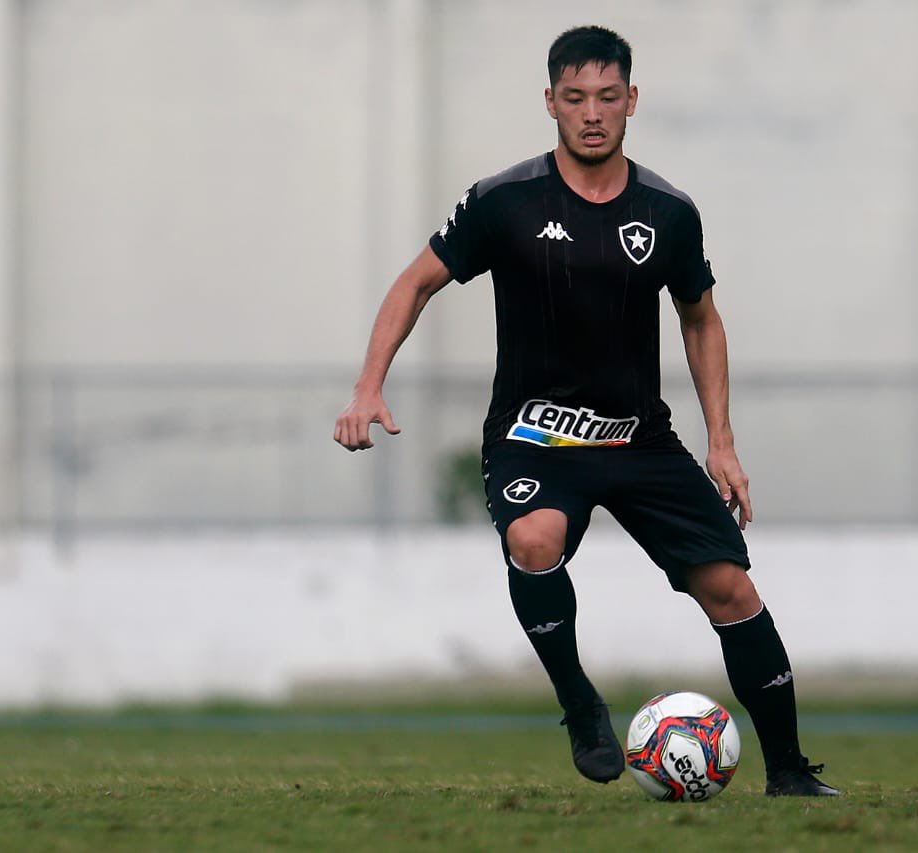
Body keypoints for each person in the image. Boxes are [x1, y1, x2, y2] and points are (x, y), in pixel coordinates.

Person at [334, 25, 839, 797]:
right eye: (575, 98)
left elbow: (701, 319)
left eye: (608, 97)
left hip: (639, 439)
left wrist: (723, 443)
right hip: (532, 436)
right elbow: (415, 283)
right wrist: (369, 385)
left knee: (732, 589)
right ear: (550, 103)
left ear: (632, 101)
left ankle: (792, 774)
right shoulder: (503, 201)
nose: (592, 113)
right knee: (535, 539)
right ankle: (579, 703)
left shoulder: (669, 212)